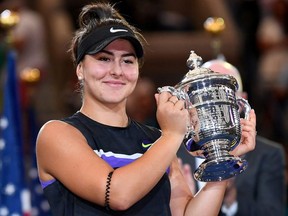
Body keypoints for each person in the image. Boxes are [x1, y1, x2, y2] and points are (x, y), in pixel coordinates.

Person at [35, 2, 256, 215]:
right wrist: (172, 135)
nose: (117, 71)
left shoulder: (158, 140)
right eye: (104, 58)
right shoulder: (57, 134)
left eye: (127, 61)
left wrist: (223, 161)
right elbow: (117, 194)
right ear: (80, 69)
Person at [177, 58, 286, 216]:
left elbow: (272, 213)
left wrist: (230, 200)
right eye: (207, 94)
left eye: (224, 93)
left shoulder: (268, 154)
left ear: (242, 100)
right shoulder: (175, 154)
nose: (215, 103)